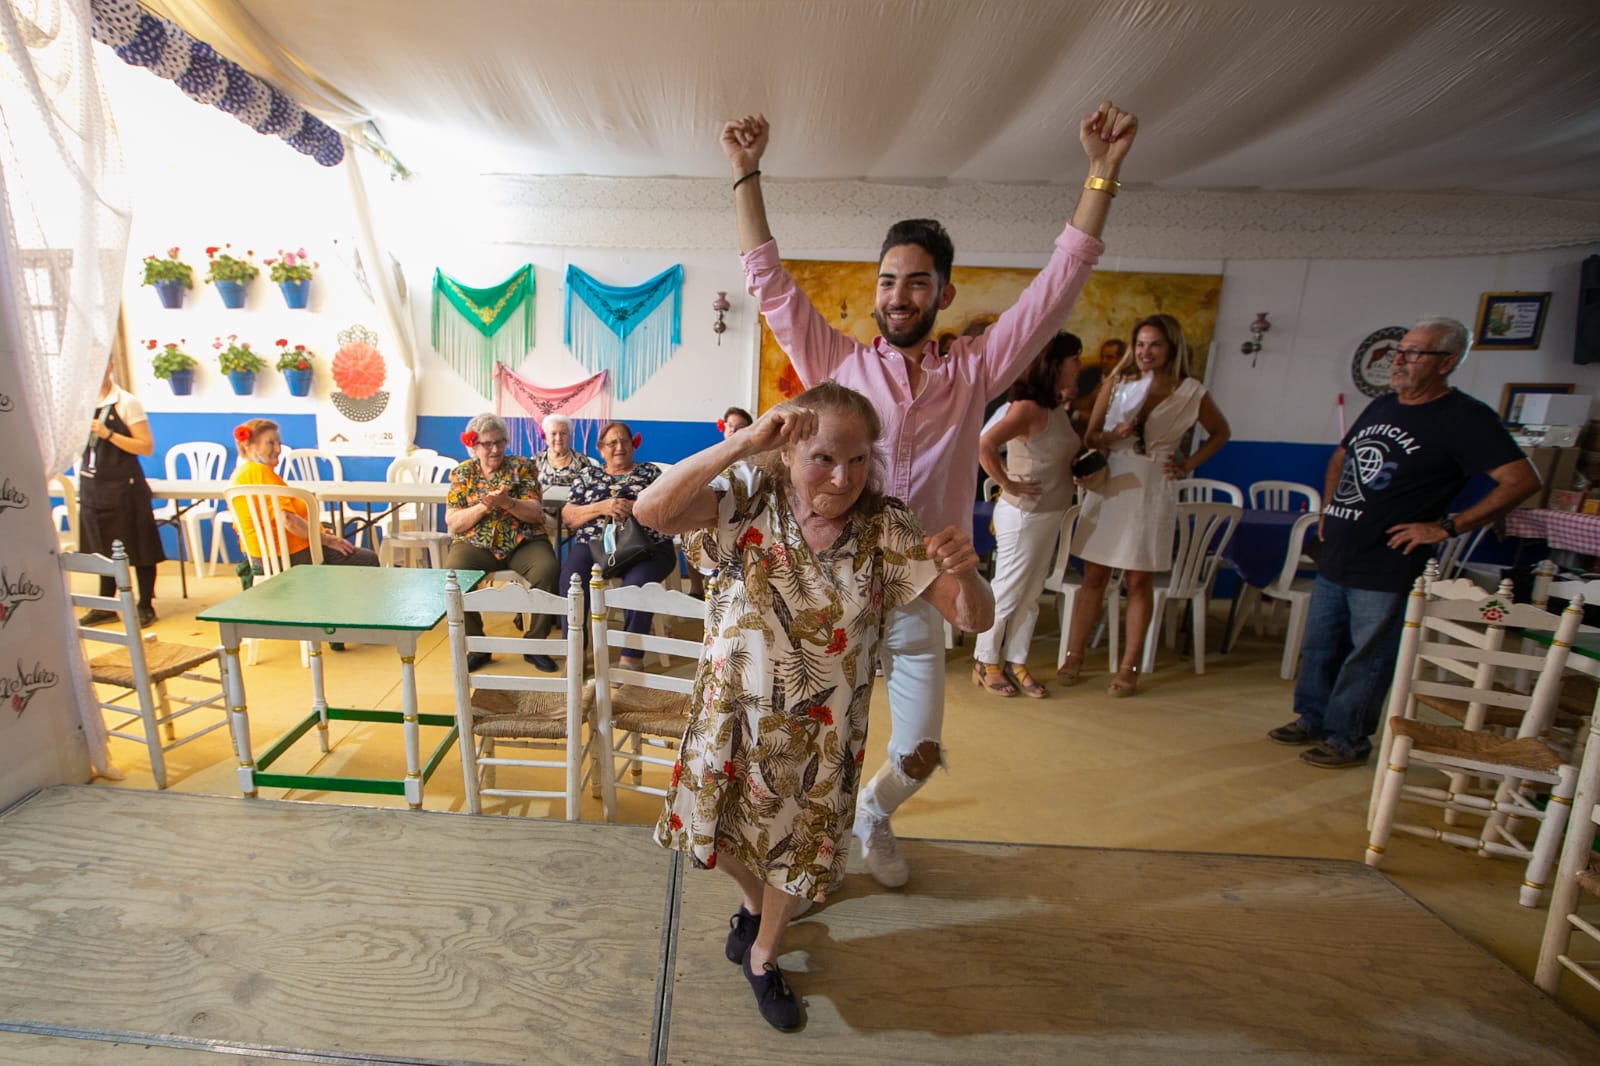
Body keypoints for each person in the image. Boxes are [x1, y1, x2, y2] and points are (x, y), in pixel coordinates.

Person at [722, 99, 1137, 887]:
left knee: (918, 752)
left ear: (943, 295)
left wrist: (1102, 173)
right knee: (806, 741)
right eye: (887, 281)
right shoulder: (838, 364)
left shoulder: (974, 371)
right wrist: (745, 172)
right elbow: (768, 281)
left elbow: (1057, 288)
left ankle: (874, 813)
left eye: (916, 283)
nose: (898, 295)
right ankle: (803, 852)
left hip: (925, 586)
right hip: (836, 586)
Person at [636, 382, 995, 1031]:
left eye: (858, 460)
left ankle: (766, 954)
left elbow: (970, 616)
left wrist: (967, 573)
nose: (844, 476)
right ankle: (754, 908)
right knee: (720, 837)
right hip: (731, 720)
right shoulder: (746, 499)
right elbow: (651, 510)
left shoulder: (886, 527)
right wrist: (743, 441)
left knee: (797, 857)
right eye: (825, 459)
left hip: (821, 739)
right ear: (787, 452)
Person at [1267, 316, 1538, 768]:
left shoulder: (1465, 418)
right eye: (1400, 351)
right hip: (1339, 551)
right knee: (1320, 646)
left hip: (1389, 561)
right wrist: (1332, 507)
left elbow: (1521, 480)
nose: (1400, 361)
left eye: (1415, 353)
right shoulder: (1384, 405)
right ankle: (1312, 717)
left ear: (1447, 362)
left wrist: (1449, 526)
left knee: (1367, 656)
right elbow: (1342, 455)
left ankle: (1348, 737)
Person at [1063, 314, 1231, 696]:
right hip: (1112, 481)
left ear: (1171, 347)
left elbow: (1221, 431)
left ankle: (1129, 666)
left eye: (1154, 344)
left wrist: (1188, 464)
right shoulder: (1118, 384)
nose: (1145, 352)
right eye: (1140, 344)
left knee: (1139, 580)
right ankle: (1074, 655)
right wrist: (1111, 434)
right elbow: (1090, 435)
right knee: (1093, 575)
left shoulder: (1191, 391)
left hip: (1153, 484)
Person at [972, 333, 1083, 697]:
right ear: (1054, 364)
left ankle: (1015, 660)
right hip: (1023, 516)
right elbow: (984, 445)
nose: (1078, 366)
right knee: (1007, 591)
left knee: (1032, 594)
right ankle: (985, 660)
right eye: (1074, 359)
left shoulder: (1054, 408)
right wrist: (1007, 482)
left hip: (1050, 514)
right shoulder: (1026, 408)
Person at [445, 413, 560, 672]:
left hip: (524, 541)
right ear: (474, 446)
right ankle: (478, 647)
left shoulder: (522, 467)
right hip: (476, 544)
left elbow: (535, 512)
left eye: (500, 442)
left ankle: (535, 645)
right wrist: (484, 506)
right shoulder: (462, 473)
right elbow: (453, 522)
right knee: (453, 573)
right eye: (487, 444)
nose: (495, 449)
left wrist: (508, 503)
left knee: (547, 569)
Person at [558, 420, 678, 667]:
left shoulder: (649, 472)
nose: (619, 446)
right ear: (601, 449)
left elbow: (667, 509)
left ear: (632, 446)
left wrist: (633, 508)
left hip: (648, 547)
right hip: (596, 546)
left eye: (624, 440)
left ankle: (631, 657)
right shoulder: (588, 474)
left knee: (635, 587)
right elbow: (569, 517)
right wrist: (602, 507)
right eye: (612, 442)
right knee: (572, 579)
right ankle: (575, 651)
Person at [77, 357, 165, 628]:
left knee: (139, 546)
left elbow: (145, 446)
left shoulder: (126, 402)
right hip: (94, 487)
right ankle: (106, 603)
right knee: (99, 548)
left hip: (125, 489)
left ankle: (145, 604)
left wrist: (108, 434)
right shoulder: (81, 405)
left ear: (110, 366)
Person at [229, 420, 380, 572]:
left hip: (263, 555)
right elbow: (288, 521)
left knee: (330, 532)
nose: (277, 449)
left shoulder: (242, 473)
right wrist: (327, 540)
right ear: (248, 446)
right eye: (270, 443)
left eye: (279, 444)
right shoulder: (259, 472)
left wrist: (320, 532)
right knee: (366, 558)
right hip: (285, 556)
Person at [533, 413, 598, 490]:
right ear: (545, 436)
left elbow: (589, 490)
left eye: (563, 433)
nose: (558, 438)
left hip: (573, 502)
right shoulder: (536, 460)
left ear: (569, 436)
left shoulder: (582, 461)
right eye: (553, 433)